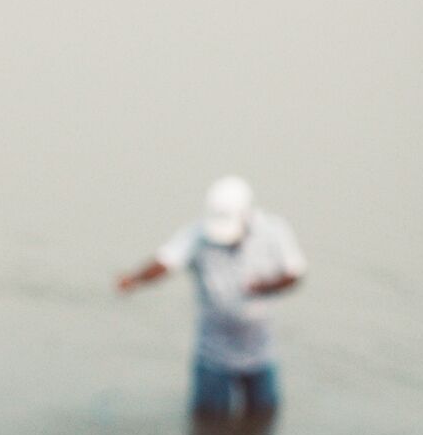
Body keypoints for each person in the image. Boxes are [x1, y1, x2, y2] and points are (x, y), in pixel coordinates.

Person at [118, 176, 306, 419]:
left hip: (259, 351)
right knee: (208, 419)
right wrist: (135, 279)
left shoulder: (274, 230)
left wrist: (266, 287)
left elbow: (295, 273)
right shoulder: (197, 234)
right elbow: (166, 261)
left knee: (263, 416)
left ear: (247, 214)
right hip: (213, 353)